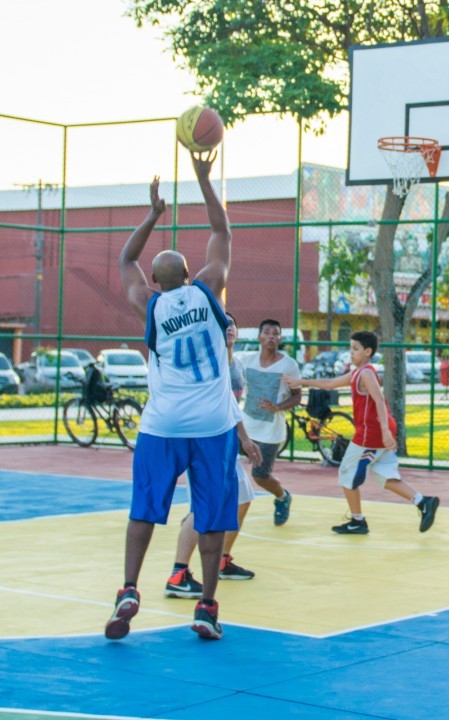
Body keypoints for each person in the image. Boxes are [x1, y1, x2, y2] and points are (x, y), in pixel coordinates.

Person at [106, 155, 262, 642]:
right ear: (193, 274)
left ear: (157, 283)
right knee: (213, 519)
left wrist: (153, 213)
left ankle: (129, 589)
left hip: (161, 425)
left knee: (143, 510)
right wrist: (202, 177)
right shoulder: (209, 289)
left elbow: (126, 261)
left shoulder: (148, 305)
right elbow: (223, 230)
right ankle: (207, 606)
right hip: (212, 426)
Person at [286, 331, 439, 535]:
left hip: (371, 434)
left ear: (367, 352)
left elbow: (379, 400)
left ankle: (358, 521)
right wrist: (301, 382)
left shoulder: (366, 373)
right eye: (350, 348)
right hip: (376, 432)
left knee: (346, 473)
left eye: (355, 349)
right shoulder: (358, 372)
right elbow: (330, 384)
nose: (351, 352)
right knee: (386, 476)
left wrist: (384, 431)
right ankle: (423, 502)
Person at [165, 313, 259, 599]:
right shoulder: (208, 362)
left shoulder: (236, 364)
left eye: (233, 324)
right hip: (206, 443)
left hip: (225, 441)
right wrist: (244, 436)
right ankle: (178, 574)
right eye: (223, 324)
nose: (229, 327)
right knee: (202, 507)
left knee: (242, 499)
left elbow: (230, 404)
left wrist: (240, 436)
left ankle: (221, 559)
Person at [241, 319, 302, 525]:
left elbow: (297, 396)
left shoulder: (289, 365)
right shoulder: (247, 361)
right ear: (259, 337)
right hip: (244, 427)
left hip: (269, 431)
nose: (271, 337)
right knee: (218, 462)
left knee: (260, 475)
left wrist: (277, 407)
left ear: (280, 339)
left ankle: (283, 497)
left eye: (276, 334)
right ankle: (202, 508)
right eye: (267, 332)